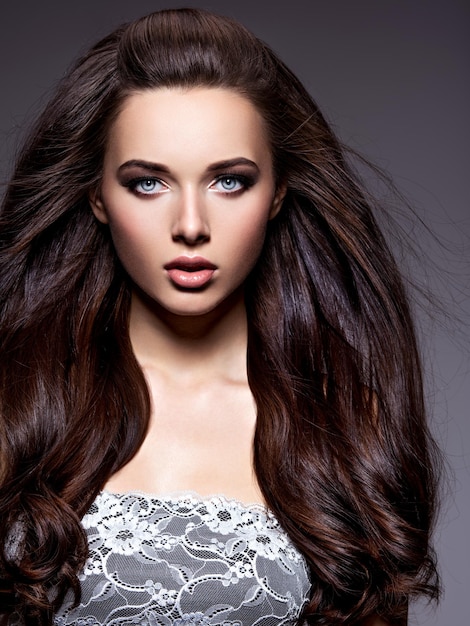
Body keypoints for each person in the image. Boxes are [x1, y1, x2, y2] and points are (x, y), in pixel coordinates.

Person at [0, 7, 440, 626]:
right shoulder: (17, 402)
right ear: (97, 195)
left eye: (229, 181)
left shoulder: (341, 415)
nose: (190, 225)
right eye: (148, 183)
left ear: (278, 191)